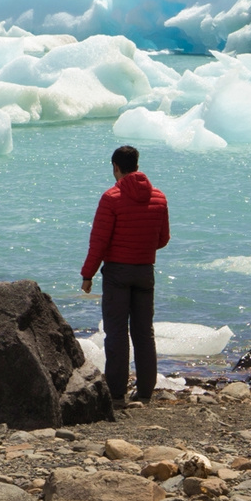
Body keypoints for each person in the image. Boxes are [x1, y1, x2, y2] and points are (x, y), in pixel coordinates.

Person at [80, 145, 169, 406]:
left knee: (117, 333)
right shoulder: (159, 197)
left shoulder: (111, 197)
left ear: (115, 167)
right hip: (145, 271)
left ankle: (117, 394)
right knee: (144, 333)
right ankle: (144, 393)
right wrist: (140, 247)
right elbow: (162, 239)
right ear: (137, 165)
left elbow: (99, 241)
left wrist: (88, 274)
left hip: (117, 272)